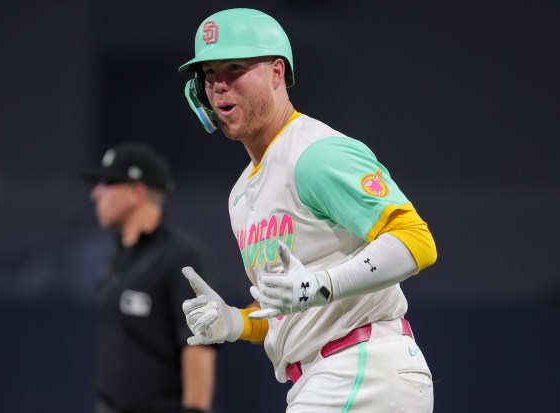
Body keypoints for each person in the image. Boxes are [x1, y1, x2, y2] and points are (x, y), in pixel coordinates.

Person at [178, 8, 437, 413]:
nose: (220, 85)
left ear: (277, 73)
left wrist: (320, 285)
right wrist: (235, 322)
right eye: (209, 74)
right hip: (324, 376)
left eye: (235, 68)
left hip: (361, 367)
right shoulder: (240, 193)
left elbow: (416, 242)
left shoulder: (314, 152)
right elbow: (291, 307)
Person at [84, 142, 216, 413]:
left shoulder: (181, 258)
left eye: (107, 184)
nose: (96, 194)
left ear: (136, 192)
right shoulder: (118, 258)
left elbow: (199, 345)